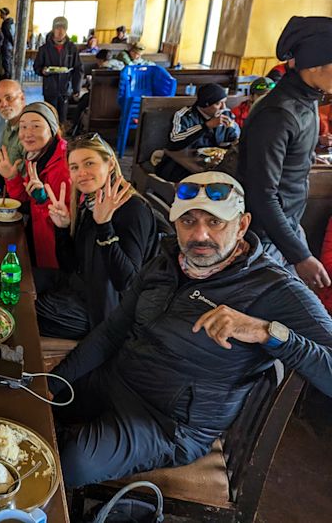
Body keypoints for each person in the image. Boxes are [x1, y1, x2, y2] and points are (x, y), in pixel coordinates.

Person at [48, 171, 332, 487]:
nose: (200, 235)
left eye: (215, 222)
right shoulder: (166, 260)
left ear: (242, 224)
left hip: (169, 425)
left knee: (68, 465)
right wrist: (54, 381)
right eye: (188, 221)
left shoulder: (276, 289)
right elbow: (112, 331)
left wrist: (269, 332)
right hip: (118, 380)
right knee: (32, 403)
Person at [238, 16, 332, 288]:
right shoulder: (278, 113)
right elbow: (261, 193)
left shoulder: (308, 99)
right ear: (315, 64)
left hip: (287, 226)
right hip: (266, 237)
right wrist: (299, 254)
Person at [36, 133, 158, 339]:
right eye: (74, 167)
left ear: (110, 164)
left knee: (21, 314)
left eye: (89, 163)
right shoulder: (90, 202)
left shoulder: (132, 209)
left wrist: (104, 226)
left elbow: (126, 283)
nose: (81, 173)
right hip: (81, 287)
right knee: (14, 282)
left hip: (108, 311)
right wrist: (63, 229)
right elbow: (71, 266)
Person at [0, 102, 70, 269]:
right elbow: (25, 199)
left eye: (36, 126)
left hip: (57, 258)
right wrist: (12, 177)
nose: (27, 133)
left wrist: (43, 201)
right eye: (23, 127)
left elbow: (65, 217)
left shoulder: (65, 165)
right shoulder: (34, 155)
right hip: (36, 238)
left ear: (52, 129)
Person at [156, 83, 239, 182]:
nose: (223, 107)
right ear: (205, 104)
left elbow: (234, 139)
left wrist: (232, 129)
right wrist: (206, 126)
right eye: (218, 103)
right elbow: (175, 139)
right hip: (183, 163)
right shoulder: (184, 115)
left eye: (224, 102)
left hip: (214, 162)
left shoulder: (226, 114)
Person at [33, 16, 82, 126]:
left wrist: (76, 88)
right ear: (53, 29)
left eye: (63, 28)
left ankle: (61, 140)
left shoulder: (72, 48)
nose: (60, 31)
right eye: (57, 28)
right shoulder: (44, 49)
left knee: (62, 119)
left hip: (65, 89)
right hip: (50, 89)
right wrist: (43, 71)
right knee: (49, 117)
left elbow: (78, 69)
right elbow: (36, 67)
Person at [0, 79, 26, 173]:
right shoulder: (8, 126)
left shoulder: (29, 131)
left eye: (9, 98)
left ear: (22, 98)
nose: (4, 104)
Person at [0, 7, 15, 79]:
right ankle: (8, 75)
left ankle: (7, 77)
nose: (0, 15)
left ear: (4, 14)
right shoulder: (11, 22)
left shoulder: (6, 23)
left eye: (1, 13)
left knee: (6, 61)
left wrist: (12, 43)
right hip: (10, 45)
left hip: (6, 45)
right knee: (8, 61)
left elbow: (8, 34)